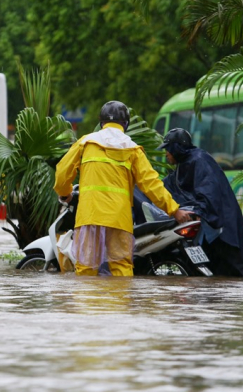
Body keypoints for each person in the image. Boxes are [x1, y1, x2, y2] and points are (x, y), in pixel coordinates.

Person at [54, 101, 193, 277]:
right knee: (121, 267)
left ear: (102, 122)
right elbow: (152, 185)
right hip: (119, 219)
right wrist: (174, 210)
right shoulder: (132, 150)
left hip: (89, 215)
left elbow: (61, 173)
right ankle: (120, 304)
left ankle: (87, 305)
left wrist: (65, 194)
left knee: (86, 268)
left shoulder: (86, 143)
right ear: (125, 124)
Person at [157, 128, 243, 278]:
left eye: (168, 149)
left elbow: (209, 192)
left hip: (223, 226)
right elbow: (167, 186)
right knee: (212, 275)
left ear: (176, 148)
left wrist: (200, 212)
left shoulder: (200, 160)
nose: (166, 153)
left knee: (234, 271)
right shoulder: (184, 164)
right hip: (208, 227)